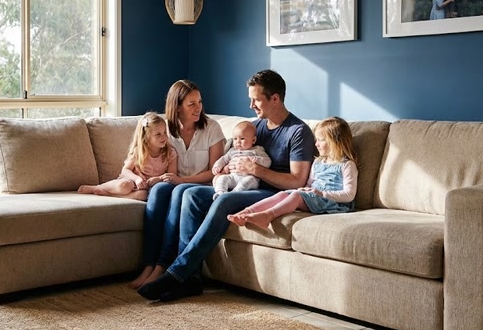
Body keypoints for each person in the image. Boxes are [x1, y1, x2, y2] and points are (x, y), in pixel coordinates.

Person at [138, 69, 315, 301]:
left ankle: (178, 273)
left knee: (224, 200)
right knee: (190, 194)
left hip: (272, 192)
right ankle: (191, 279)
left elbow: (297, 181)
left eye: (256, 99)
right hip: (240, 183)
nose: (251, 105)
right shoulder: (255, 127)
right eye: (250, 99)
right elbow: (230, 156)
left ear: (275, 98)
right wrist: (222, 168)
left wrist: (257, 170)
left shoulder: (298, 132)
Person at [130, 80, 225, 289]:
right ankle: (149, 265)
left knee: (178, 189)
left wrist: (182, 180)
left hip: (203, 186)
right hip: (173, 182)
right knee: (159, 190)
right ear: (177, 106)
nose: (198, 107)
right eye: (192, 103)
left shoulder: (212, 128)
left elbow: (214, 170)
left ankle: (162, 267)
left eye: (199, 102)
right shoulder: (165, 130)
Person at [227, 116, 358, 228]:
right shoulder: (318, 162)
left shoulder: (347, 165)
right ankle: (245, 213)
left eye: (320, 140)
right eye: (316, 140)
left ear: (335, 142)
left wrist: (321, 193)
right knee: (283, 194)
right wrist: (306, 189)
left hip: (332, 202)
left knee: (296, 196)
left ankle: (267, 216)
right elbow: (310, 183)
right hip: (313, 196)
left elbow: (349, 195)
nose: (316, 144)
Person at [79, 112, 177, 201]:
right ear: (146, 137)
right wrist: (136, 179)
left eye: (165, 132)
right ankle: (97, 187)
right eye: (158, 134)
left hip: (149, 188)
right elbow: (125, 170)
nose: (164, 137)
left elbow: (172, 177)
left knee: (143, 195)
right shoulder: (139, 152)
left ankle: (111, 195)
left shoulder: (170, 153)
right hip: (132, 182)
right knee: (124, 185)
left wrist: (159, 179)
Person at [212, 121, 271, 200]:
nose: (238, 142)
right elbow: (223, 159)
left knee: (249, 180)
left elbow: (268, 161)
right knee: (222, 178)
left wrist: (258, 160)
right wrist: (217, 166)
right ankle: (220, 193)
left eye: (242, 138)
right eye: (235, 139)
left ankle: (234, 193)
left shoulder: (257, 150)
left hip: (248, 177)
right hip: (233, 177)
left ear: (253, 140)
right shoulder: (232, 151)